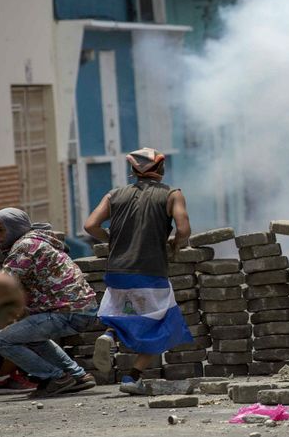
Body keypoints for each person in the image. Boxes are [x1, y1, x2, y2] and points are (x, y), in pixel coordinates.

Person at [85, 147, 192, 395]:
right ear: (161, 169)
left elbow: (90, 225)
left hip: (117, 272)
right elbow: (184, 230)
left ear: (133, 171)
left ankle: (110, 335)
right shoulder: (172, 194)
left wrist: (111, 238)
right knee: (164, 325)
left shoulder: (114, 194)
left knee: (125, 311)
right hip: (150, 272)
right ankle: (132, 378)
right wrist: (175, 244)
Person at [0, 208, 99, 397]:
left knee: (0, 340)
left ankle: (56, 377)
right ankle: (78, 376)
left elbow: (3, 283)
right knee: (29, 337)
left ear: (15, 228)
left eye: (1, 230)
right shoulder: (37, 241)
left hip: (68, 311)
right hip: (81, 309)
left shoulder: (26, 245)